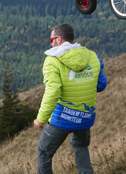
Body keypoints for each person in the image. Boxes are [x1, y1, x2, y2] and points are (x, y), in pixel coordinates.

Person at [34, 23, 107, 174]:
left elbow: (53, 91)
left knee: (44, 151)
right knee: (80, 145)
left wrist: (41, 118)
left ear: (59, 39)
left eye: (51, 39)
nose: (51, 43)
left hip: (62, 118)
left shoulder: (52, 60)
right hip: (85, 116)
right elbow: (101, 86)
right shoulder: (93, 56)